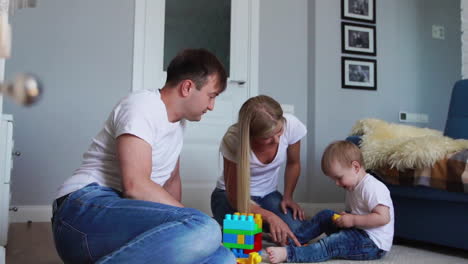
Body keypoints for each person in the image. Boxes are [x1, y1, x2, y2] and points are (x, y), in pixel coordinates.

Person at [51, 49, 236, 264]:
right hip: (82, 213)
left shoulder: (177, 125)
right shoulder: (142, 106)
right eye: (211, 96)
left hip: (121, 226)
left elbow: (170, 181)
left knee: (223, 258)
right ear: (187, 87)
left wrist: (183, 227)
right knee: (207, 227)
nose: (211, 106)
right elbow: (135, 186)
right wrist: (192, 222)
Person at [266, 140, 394, 263]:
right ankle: (292, 240)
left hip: (373, 243)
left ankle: (289, 254)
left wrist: (353, 219)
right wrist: (346, 217)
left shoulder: (372, 187)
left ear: (355, 167)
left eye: (339, 178)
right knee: (326, 215)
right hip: (357, 230)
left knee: (332, 243)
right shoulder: (352, 186)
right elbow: (355, 212)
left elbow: (383, 218)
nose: (337, 184)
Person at [210, 95, 307, 247]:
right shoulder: (234, 140)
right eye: (268, 137)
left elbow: (294, 163)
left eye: (279, 132)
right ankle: (226, 224)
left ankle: (260, 227)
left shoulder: (291, 124)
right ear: (250, 136)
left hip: (267, 194)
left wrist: (288, 197)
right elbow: (235, 198)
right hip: (231, 198)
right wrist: (270, 217)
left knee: (298, 234)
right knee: (241, 239)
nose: (276, 141)